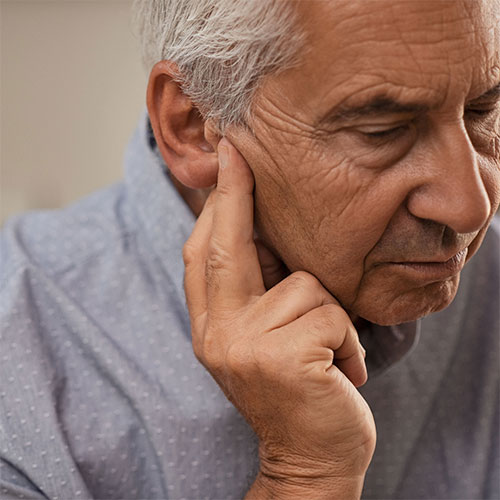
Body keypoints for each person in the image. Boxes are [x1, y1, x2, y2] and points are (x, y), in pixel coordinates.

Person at [1, 0, 499, 498]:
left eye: (484, 110)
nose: (472, 207)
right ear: (193, 127)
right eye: (381, 132)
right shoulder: (17, 359)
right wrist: (303, 477)